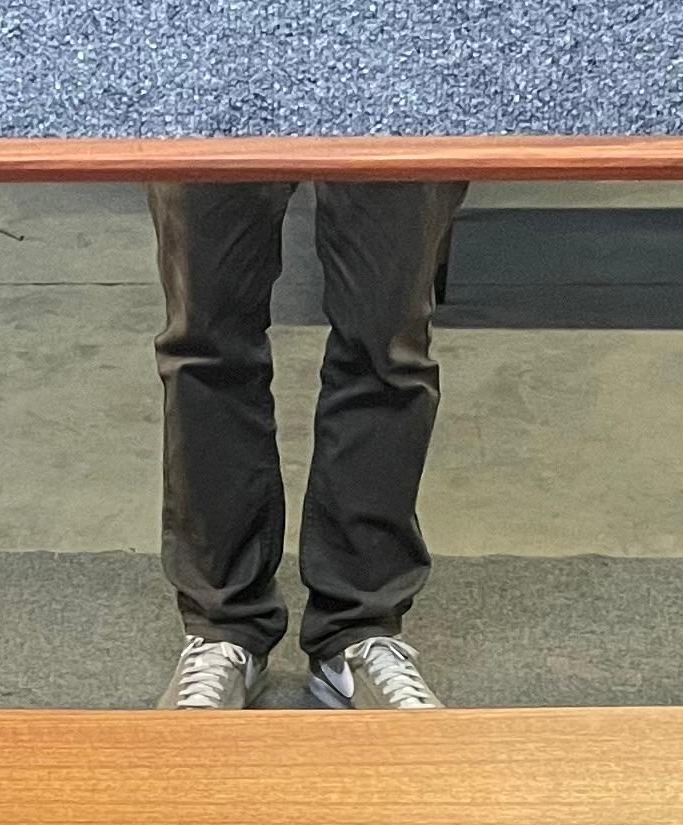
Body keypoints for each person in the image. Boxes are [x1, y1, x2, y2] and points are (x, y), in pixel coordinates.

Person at [146, 178, 470, 711]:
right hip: (211, 96)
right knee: (205, 339)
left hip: (399, 94)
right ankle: (224, 628)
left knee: (389, 342)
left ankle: (359, 630)